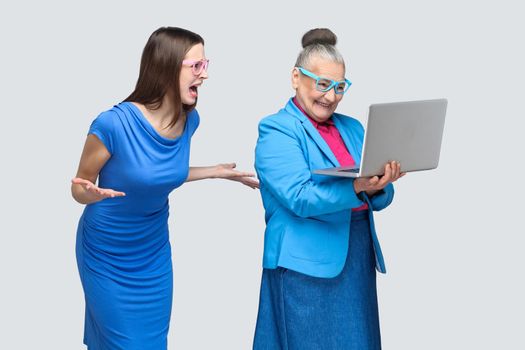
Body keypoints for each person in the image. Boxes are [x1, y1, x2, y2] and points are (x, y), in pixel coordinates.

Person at [71, 27, 258, 349]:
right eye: (196, 66)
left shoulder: (189, 121)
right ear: (167, 66)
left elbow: (156, 173)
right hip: (107, 250)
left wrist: (214, 172)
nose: (205, 75)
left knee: (152, 343)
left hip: (153, 250)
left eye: (206, 64)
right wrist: (91, 193)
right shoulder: (112, 124)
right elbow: (79, 188)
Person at [252, 28, 405, 349]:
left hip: (356, 255)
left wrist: (379, 185)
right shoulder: (277, 129)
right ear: (296, 77)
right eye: (322, 84)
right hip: (305, 265)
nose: (331, 96)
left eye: (339, 87)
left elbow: (378, 198)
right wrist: (357, 187)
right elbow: (299, 197)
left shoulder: (353, 127)